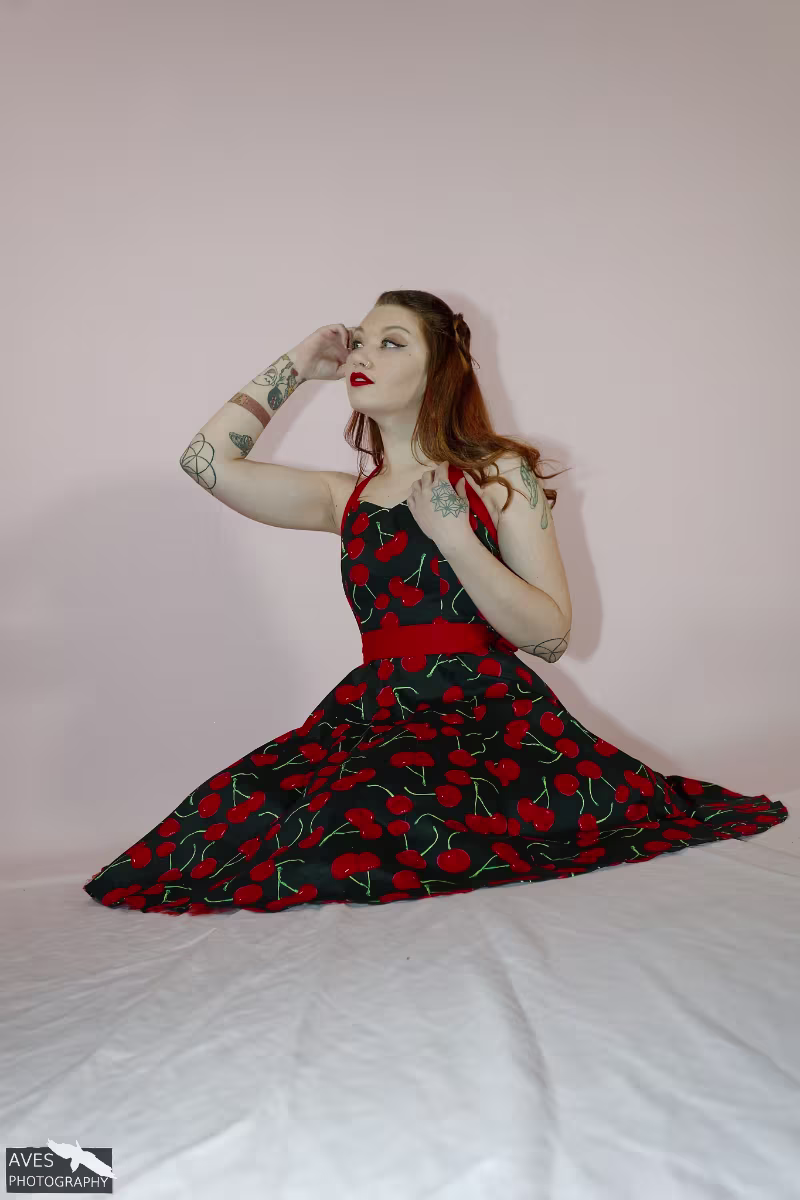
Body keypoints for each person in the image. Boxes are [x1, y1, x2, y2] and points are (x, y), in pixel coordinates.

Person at [82, 289, 789, 915]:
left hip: (490, 720)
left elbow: (549, 637)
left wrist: (456, 538)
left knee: (365, 812)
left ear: (438, 370)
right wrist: (297, 363)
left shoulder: (498, 473)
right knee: (242, 814)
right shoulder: (343, 497)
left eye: (392, 343)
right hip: (376, 713)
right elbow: (205, 462)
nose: (364, 354)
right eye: (360, 341)